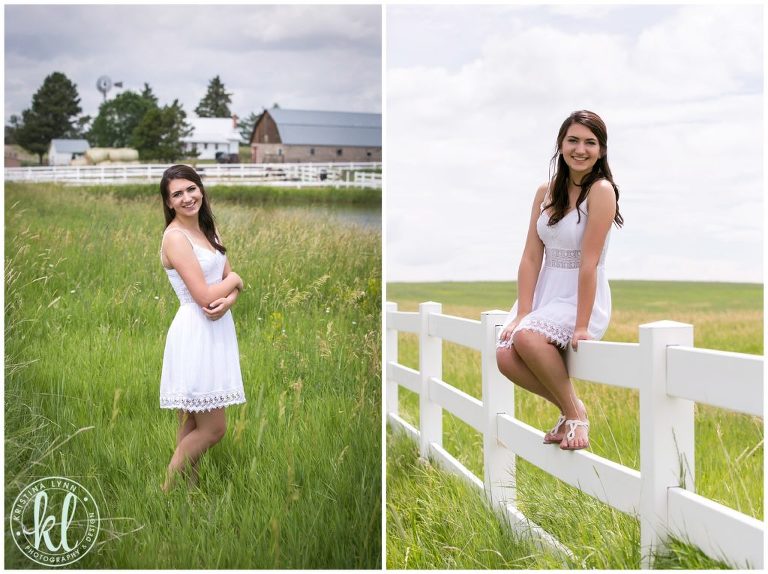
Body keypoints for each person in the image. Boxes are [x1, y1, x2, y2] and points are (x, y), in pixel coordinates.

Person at [495, 110, 623, 451]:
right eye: (573, 140)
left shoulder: (602, 191)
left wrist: (581, 324)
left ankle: (575, 416)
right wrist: (523, 311)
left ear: (602, 150)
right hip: (544, 293)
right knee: (505, 357)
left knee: (529, 340)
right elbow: (531, 257)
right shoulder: (545, 192)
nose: (580, 149)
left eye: (590, 142)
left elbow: (590, 263)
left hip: (580, 295)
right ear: (561, 145)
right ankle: (571, 407)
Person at [158, 164, 246, 491]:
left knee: (192, 421)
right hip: (194, 332)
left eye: (191, 189)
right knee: (213, 429)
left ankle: (188, 492)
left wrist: (231, 299)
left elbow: (225, 286)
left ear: (201, 189)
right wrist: (236, 282)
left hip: (217, 329)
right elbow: (205, 294)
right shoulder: (175, 238)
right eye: (177, 194)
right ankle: (166, 490)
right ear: (168, 203)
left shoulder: (209, 231)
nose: (186, 198)